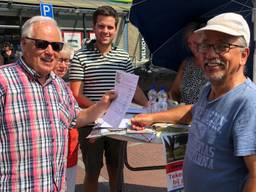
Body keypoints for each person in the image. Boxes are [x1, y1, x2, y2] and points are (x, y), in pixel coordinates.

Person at [131, 12, 256, 192]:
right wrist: (152, 117)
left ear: (243, 55)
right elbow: (191, 111)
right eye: (205, 45)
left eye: (222, 46)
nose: (211, 54)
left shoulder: (248, 103)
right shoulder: (209, 90)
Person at [0, 16, 116, 191]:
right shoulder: (3, 81)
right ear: (24, 43)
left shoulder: (59, 85)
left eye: (56, 46)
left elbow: (76, 118)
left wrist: (103, 104)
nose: (50, 51)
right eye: (41, 44)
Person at [69, 5, 148, 192]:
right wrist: (101, 108)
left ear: (115, 28)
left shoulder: (123, 57)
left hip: (117, 122)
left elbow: (133, 87)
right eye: (101, 26)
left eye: (110, 27)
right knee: (92, 170)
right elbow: (76, 94)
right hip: (91, 123)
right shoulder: (80, 56)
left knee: (116, 167)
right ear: (94, 27)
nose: (105, 31)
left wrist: (148, 105)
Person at [53, 43, 78, 192]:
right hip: (56, 153)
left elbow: (76, 116)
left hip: (71, 149)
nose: (64, 65)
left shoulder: (65, 86)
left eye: (67, 61)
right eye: (60, 60)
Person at [169, 23, 207, 104]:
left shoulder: (214, 66)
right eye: (189, 44)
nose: (192, 48)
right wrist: (174, 104)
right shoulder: (187, 63)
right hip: (182, 113)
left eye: (196, 43)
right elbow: (174, 91)